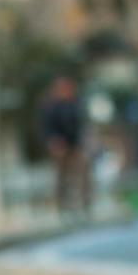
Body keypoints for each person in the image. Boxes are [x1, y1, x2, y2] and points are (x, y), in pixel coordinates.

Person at [40, 76, 90, 216]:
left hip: (76, 145)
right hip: (60, 147)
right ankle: (62, 207)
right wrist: (54, 142)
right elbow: (47, 128)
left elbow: (81, 125)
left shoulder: (75, 104)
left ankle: (84, 206)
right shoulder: (51, 107)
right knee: (61, 178)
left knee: (82, 175)